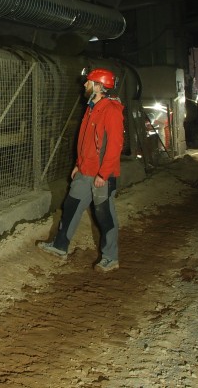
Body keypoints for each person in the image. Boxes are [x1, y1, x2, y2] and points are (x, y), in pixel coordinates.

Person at [37, 67, 125, 272]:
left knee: (104, 215)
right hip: (85, 171)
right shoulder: (92, 107)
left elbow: (115, 145)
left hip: (102, 174)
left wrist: (104, 173)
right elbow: (85, 141)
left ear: (98, 86)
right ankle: (60, 246)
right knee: (71, 206)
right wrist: (79, 164)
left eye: (89, 82)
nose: (85, 84)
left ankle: (110, 257)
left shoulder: (111, 110)